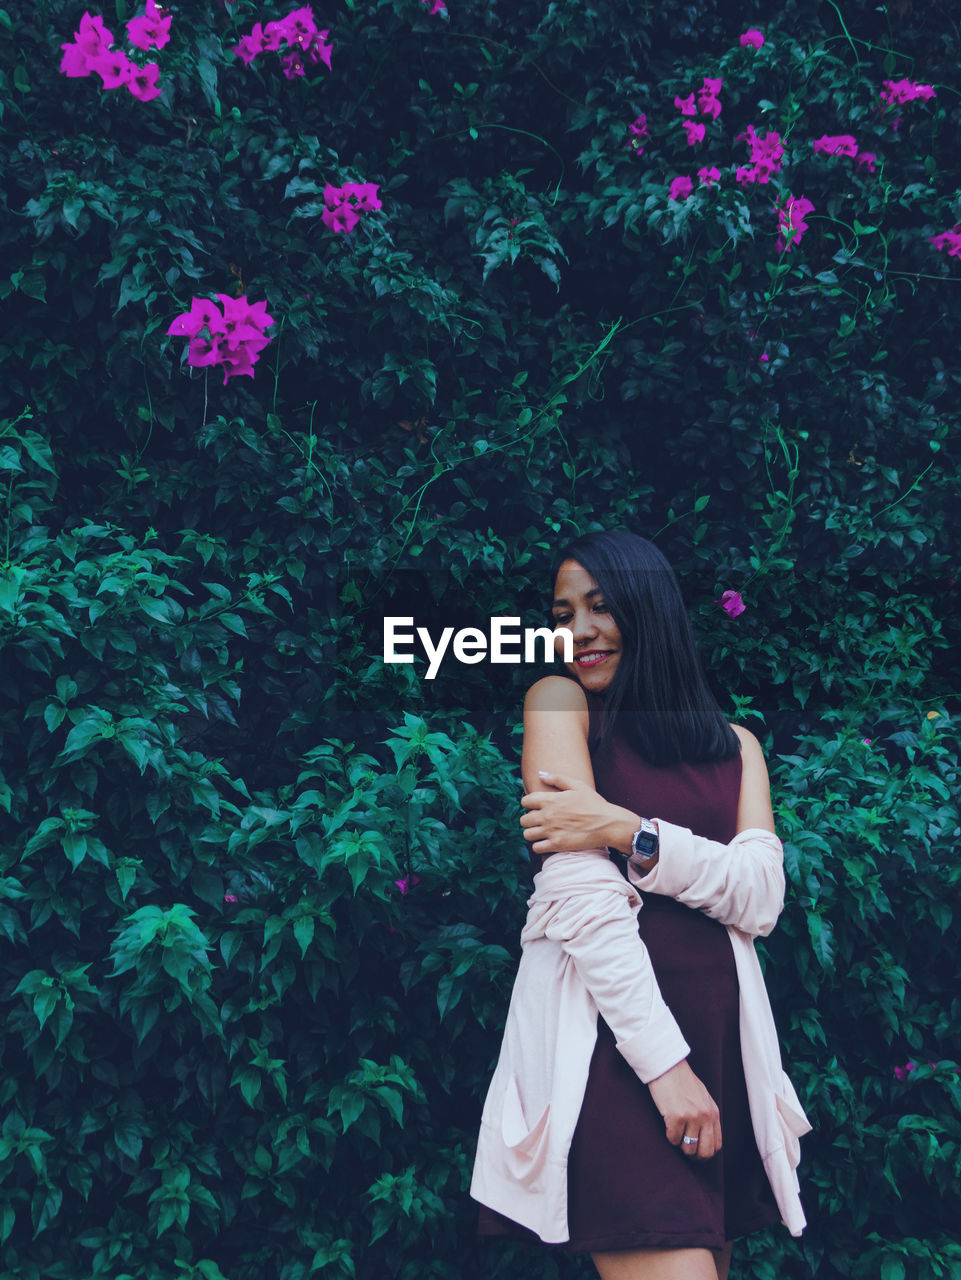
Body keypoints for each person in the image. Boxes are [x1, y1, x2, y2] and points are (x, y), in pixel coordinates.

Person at [471, 530, 811, 1280]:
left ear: (646, 607)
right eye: (562, 613)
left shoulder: (735, 746)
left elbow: (758, 899)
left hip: (720, 1054)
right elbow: (580, 896)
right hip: (618, 1056)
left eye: (599, 606)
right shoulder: (558, 704)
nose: (577, 631)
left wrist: (625, 831)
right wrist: (665, 1067)